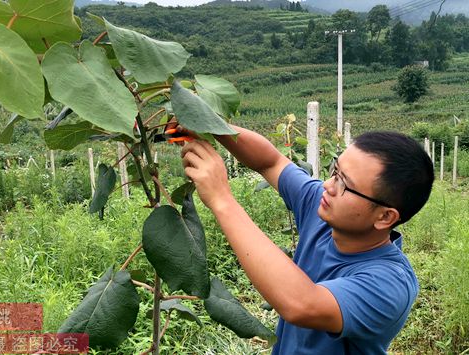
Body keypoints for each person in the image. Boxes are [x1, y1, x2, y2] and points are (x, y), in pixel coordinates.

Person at [180, 125, 434, 354]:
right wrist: (211, 123)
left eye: (344, 184)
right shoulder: (324, 210)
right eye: (335, 171)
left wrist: (222, 199)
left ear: (385, 217)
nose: (327, 185)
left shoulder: (389, 284)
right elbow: (271, 162)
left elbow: (302, 304)